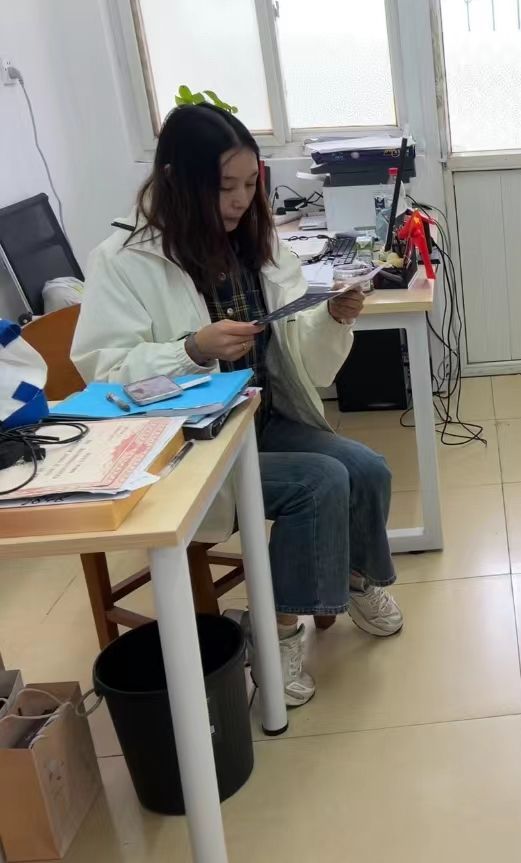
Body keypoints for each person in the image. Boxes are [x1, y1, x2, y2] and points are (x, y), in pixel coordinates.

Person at [72, 104, 401, 708]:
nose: (241, 201)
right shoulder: (122, 260)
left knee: (367, 468)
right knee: (320, 482)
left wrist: (332, 318)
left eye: (251, 185)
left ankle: (351, 578)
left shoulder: (255, 245)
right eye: (226, 187)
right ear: (176, 179)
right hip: (186, 447)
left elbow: (303, 359)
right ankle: (277, 635)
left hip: (263, 419)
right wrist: (191, 350)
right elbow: (104, 375)